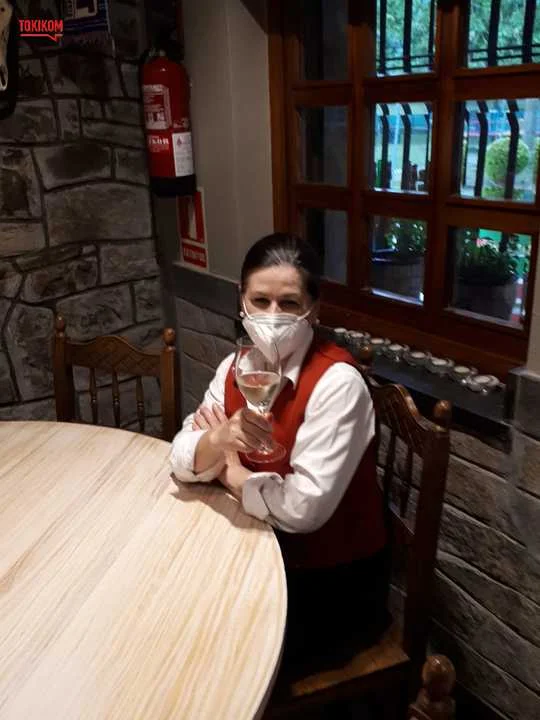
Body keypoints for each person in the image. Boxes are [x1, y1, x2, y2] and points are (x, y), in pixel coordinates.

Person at [170, 232, 389, 670]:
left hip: (328, 586)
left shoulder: (337, 384)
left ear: (314, 309)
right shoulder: (235, 368)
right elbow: (180, 455)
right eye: (260, 300)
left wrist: (229, 472)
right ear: (242, 300)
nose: (272, 316)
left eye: (288, 303)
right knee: (174, 607)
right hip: (254, 553)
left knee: (214, 653)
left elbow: (303, 509)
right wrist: (218, 440)